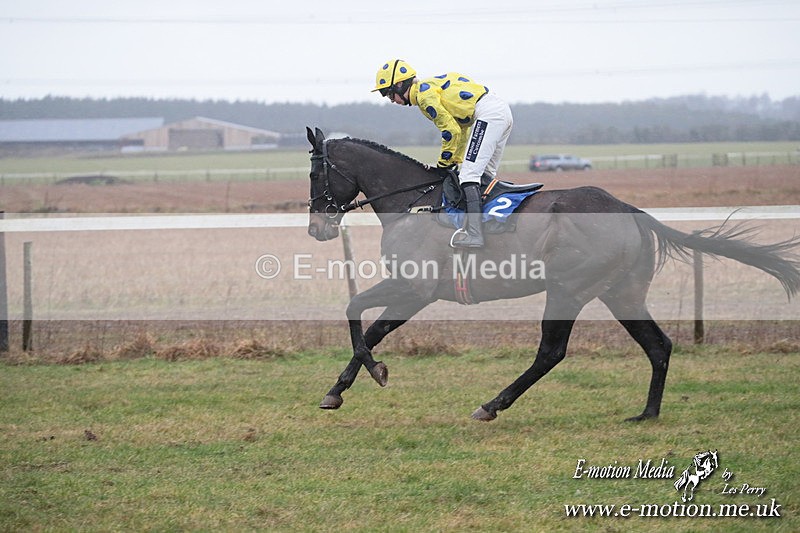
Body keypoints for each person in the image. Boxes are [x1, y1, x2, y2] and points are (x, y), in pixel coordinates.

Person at [372, 59, 513, 248]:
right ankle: (490, 228)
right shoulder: (430, 87)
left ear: (400, 84)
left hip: (489, 114)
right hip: (499, 111)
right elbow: (460, 130)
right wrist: (454, 159)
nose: (392, 101)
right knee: (483, 176)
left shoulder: (424, 97)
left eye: (389, 94)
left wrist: (442, 165)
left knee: (469, 176)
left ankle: (475, 234)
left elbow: (450, 132)